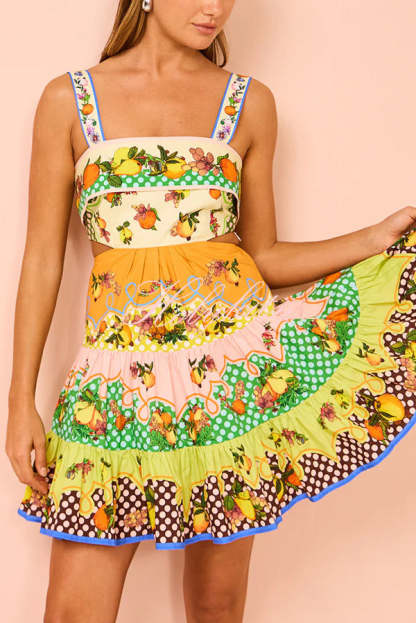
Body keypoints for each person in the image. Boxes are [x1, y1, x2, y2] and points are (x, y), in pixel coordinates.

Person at [6, 0, 416, 621]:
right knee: (72, 612)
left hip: (230, 380)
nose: (215, 9)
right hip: (116, 382)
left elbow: (264, 254)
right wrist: (20, 403)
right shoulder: (69, 100)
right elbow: (41, 259)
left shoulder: (249, 103)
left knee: (217, 607)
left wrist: (374, 238)